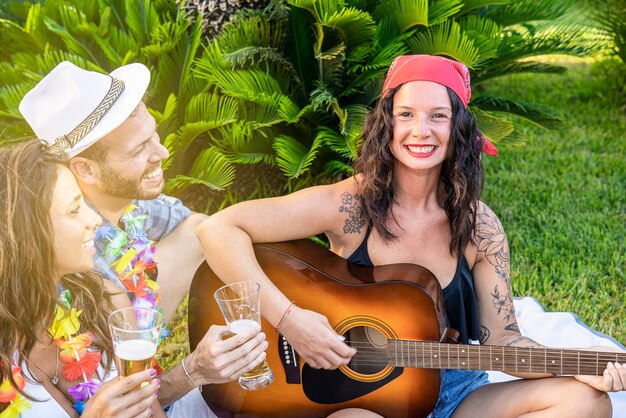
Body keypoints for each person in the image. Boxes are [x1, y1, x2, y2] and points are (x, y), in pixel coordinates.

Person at [196, 55, 625, 417]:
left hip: (455, 392)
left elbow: (503, 338)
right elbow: (218, 229)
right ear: (387, 123)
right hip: (363, 402)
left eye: (438, 115)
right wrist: (292, 321)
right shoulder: (348, 205)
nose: (421, 131)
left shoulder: (479, 226)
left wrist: (577, 365)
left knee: (586, 401)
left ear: (457, 127)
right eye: (406, 115)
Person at [17, 62, 268, 415]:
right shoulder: (75, 260)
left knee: (202, 229)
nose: (163, 153)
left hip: (147, 397)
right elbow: (124, 406)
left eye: (155, 135)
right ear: (85, 169)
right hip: (141, 399)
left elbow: (199, 226)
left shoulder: (125, 213)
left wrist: (285, 309)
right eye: (139, 150)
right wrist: (194, 370)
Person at [0, 140, 163, 417]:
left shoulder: (104, 300)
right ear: (27, 236)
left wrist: (193, 372)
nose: (94, 219)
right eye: (74, 210)